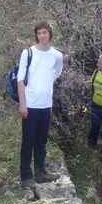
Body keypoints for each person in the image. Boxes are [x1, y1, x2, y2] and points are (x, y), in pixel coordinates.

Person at [17, 21, 63, 189]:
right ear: (36, 35)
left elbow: (56, 74)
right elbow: (20, 78)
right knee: (28, 141)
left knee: (42, 141)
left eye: (45, 32)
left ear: (50, 34)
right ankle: (26, 175)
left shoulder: (57, 55)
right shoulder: (28, 53)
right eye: (39, 33)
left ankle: (41, 172)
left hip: (46, 105)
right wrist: (23, 104)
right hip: (30, 104)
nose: (42, 36)